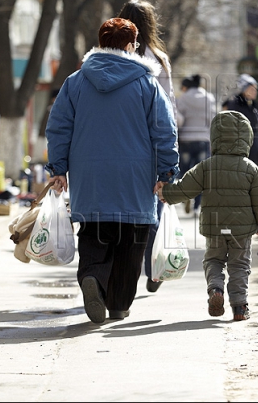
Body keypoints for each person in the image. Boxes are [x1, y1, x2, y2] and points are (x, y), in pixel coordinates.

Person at [45, 17, 178, 324]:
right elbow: (164, 131)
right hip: (135, 177)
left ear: (100, 44)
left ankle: (92, 276)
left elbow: (59, 127)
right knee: (131, 242)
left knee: (93, 234)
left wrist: (58, 168)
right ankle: (118, 303)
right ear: (132, 46)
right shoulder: (147, 84)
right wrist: (167, 172)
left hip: (90, 177)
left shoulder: (75, 82)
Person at [156, 110, 258, 321]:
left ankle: (215, 290)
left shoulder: (206, 167)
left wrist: (166, 193)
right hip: (241, 229)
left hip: (215, 226)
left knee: (214, 260)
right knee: (239, 265)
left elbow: (186, 188)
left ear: (215, 138)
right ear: (247, 138)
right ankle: (239, 307)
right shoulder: (252, 169)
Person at [117, 0, 176, 294]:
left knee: (118, 210)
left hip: (116, 142)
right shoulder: (160, 59)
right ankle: (154, 268)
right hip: (151, 146)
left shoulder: (110, 55)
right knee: (153, 205)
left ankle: (118, 270)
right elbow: (169, 110)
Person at [176, 74, 217, 214]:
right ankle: (197, 206)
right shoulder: (209, 98)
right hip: (203, 140)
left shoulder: (183, 98)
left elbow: (178, 119)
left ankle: (186, 194)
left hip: (186, 139)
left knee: (185, 171)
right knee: (201, 174)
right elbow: (213, 120)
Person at [222, 74, 258, 169]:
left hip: (256, 148)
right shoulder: (235, 104)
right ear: (244, 90)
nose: (255, 92)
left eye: (256, 89)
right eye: (252, 89)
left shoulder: (254, 105)